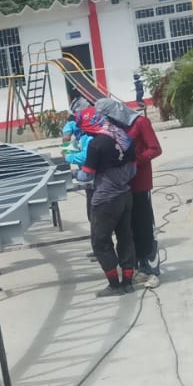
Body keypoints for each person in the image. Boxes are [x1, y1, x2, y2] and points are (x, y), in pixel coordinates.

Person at [95, 95, 163, 287]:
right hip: (120, 185)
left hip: (139, 181)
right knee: (127, 229)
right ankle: (134, 268)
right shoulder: (113, 127)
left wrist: (134, 161)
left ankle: (150, 269)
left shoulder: (140, 123)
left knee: (144, 227)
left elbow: (155, 149)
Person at [74, 107, 136, 295]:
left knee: (100, 242)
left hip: (105, 200)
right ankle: (128, 282)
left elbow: (86, 176)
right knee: (125, 238)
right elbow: (133, 170)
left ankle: (114, 285)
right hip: (125, 195)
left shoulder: (96, 145)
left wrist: (75, 173)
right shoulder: (124, 137)